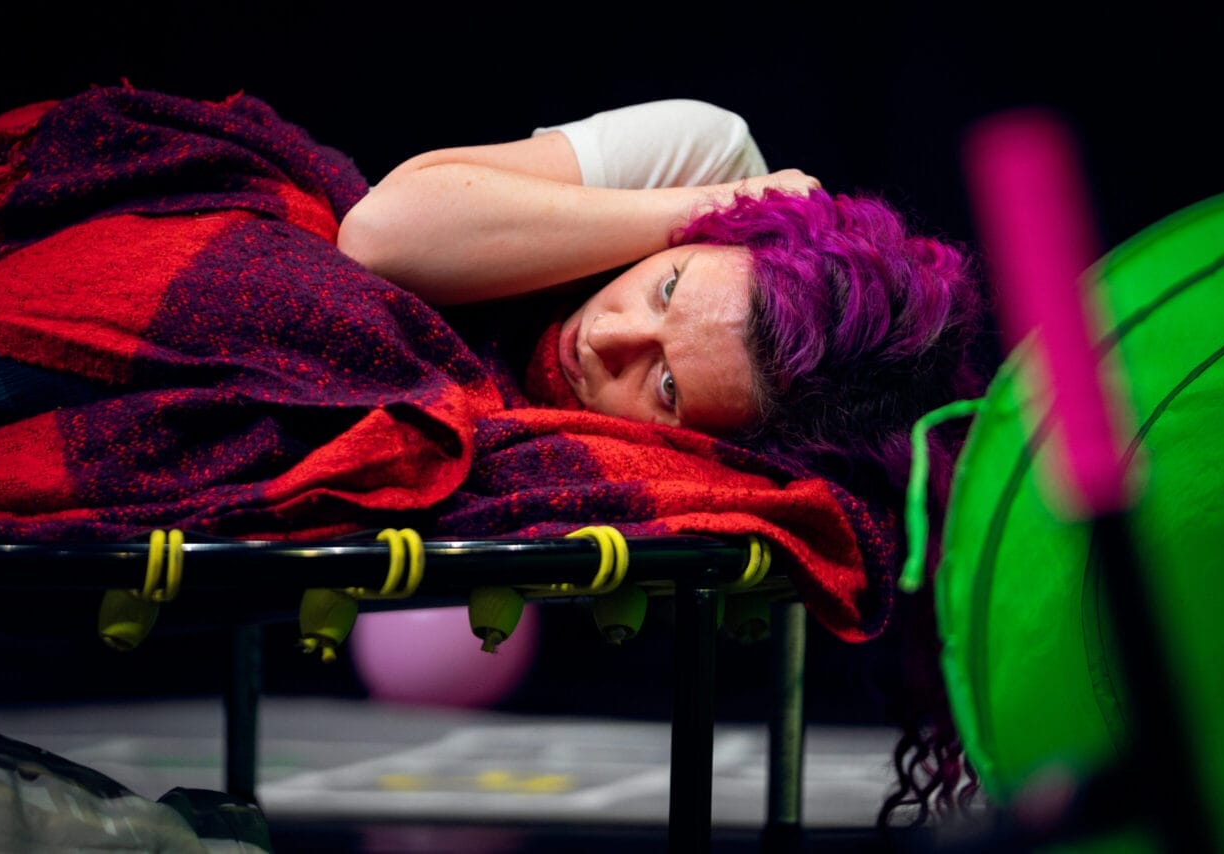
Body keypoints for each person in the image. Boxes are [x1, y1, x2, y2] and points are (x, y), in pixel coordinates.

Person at [337, 99, 991, 824]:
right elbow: (375, 237)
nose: (607, 337)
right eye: (668, 286)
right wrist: (717, 210)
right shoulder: (707, 158)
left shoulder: (740, 458)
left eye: (667, 385)